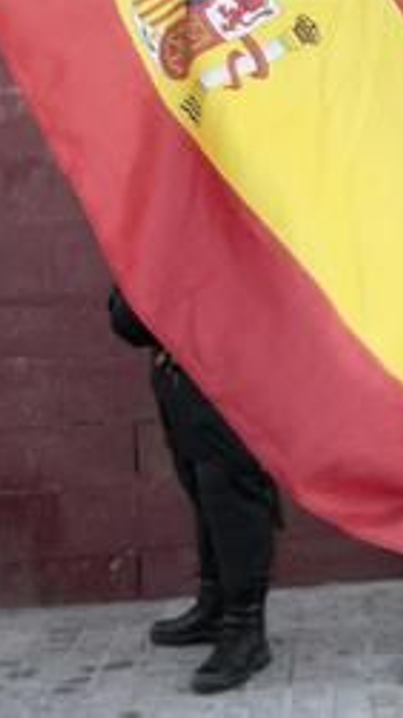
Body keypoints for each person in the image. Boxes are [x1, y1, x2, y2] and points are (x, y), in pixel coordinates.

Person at [107, 287, 279, 695]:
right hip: (178, 376)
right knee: (203, 489)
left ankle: (245, 629)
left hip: (231, 373)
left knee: (231, 493)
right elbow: (130, 325)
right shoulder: (158, 232)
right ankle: (215, 605)